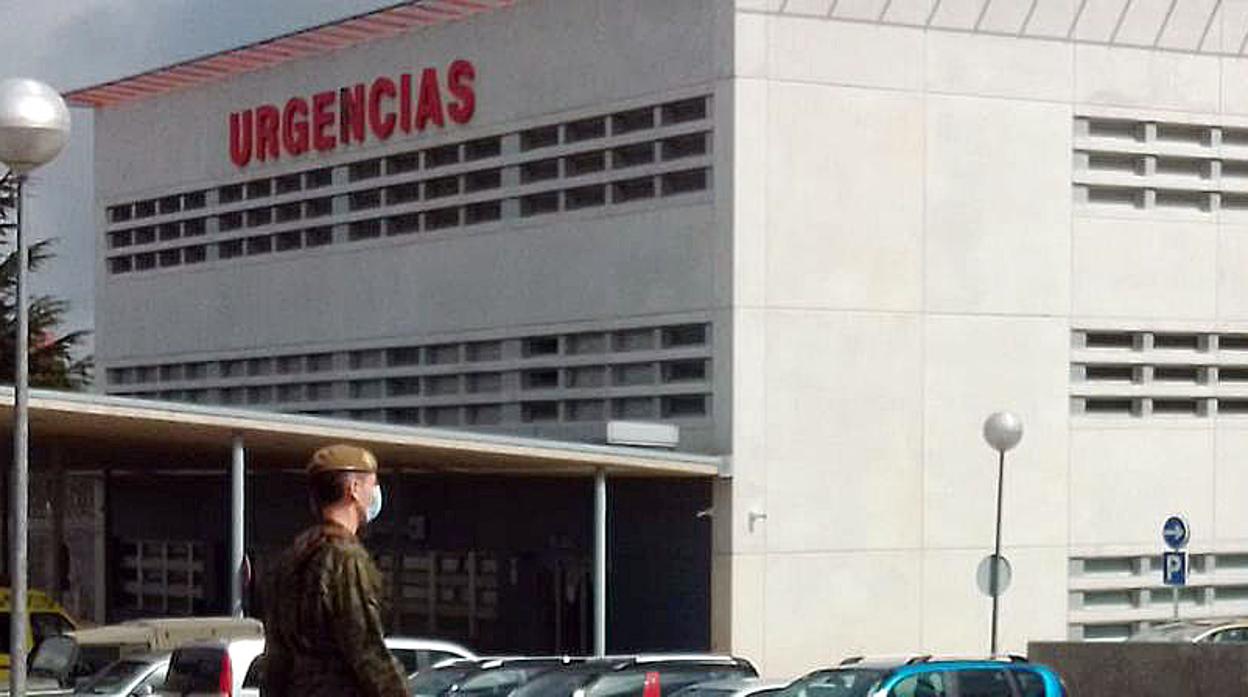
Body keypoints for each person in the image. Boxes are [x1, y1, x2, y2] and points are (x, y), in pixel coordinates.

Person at [261, 444, 407, 697]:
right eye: (372, 485)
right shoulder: (346, 559)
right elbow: (366, 650)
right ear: (354, 489)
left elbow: (276, 658)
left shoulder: (291, 558)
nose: (375, 493)